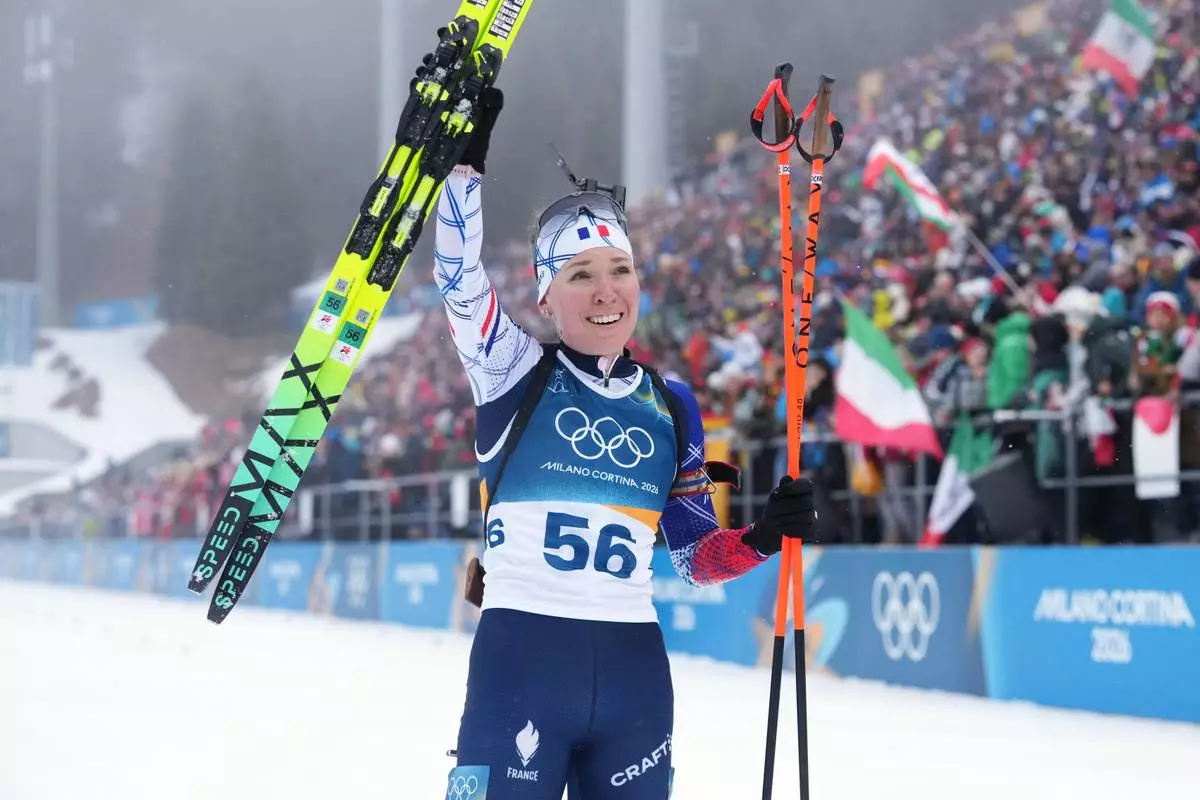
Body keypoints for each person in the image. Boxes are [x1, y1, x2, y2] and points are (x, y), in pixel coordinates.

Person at [434, 87, 816, 800]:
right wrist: (463, 172)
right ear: (546, 297)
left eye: (620, 271)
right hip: (522, 659)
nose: (606, 291)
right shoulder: (511, 370)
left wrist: (765, 535)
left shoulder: (670, 405)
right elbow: (458, 279)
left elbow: (695, 558)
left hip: (634, 674)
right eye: (580, 276)